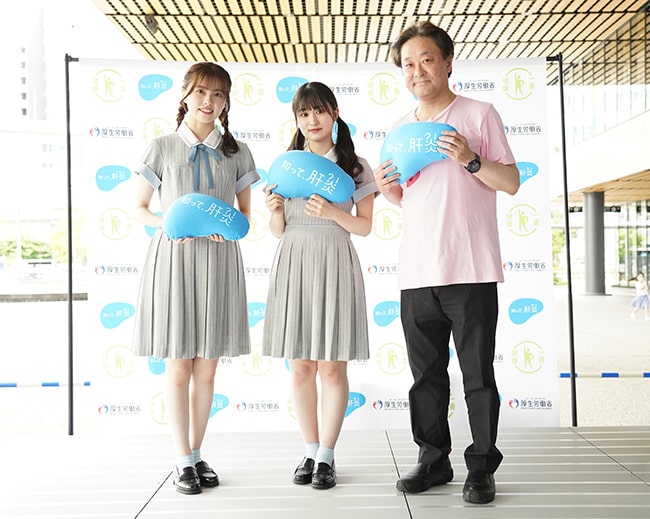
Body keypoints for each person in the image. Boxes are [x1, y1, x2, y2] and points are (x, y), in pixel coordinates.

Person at [373, 21, 520, 504]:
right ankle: (433, 460)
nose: (417, 71)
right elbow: (407, 197)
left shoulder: (479, 114)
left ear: (448, 62)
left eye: (426, 60)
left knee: (477, 377)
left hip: (471, 268)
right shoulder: (399, 129)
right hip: (418, 270)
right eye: (408, 64)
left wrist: (471, 159)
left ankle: (481, 468)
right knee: (426, 378)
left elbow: (511, 182)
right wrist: (387, 188)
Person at [131, 62, 259, 495]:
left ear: (226, 102)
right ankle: (181, 459)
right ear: (185, 95)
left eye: (218, 94)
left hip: (218, 261)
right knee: (178, 365)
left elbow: (244, 216)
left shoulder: (238, 152)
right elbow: (139, 209)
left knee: (207, 368)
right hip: (175, 259)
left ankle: (198, 454)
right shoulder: (162, 147)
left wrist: (229, 229)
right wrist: (168, 224)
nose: (209, 101)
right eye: (202, 92)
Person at [262, 82, 377, 490]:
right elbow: (278, 231)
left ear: (335, 113)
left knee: (332, 365)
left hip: (335, 260)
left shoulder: (356, 166)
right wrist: (275, 211)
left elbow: (364, 226)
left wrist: (332, 212)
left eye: (319, 111)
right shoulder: (285, 166)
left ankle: (327, 455)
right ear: (296, 119)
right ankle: (309, 451)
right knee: (300, 366)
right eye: (304, 113)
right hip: (294, 260)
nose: (312, 120)